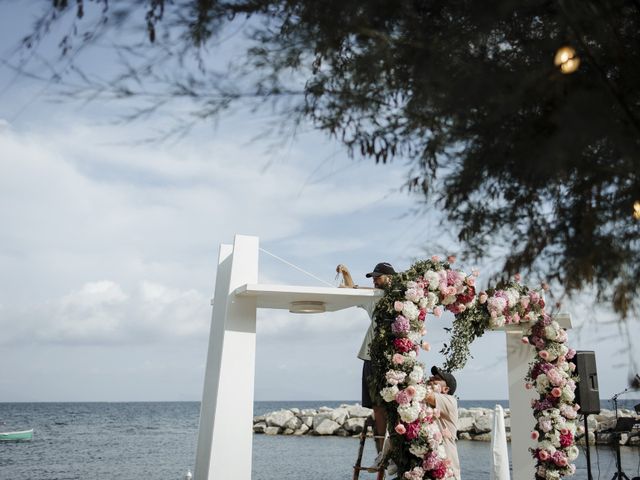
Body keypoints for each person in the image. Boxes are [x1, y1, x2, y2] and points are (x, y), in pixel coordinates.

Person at [426, 366, 461, 479]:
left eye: (436, 378)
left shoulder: (449, 400)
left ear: (446, 390)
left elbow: (426, 394)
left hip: (447, 471)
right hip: (430, 466)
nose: (431, 378)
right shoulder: (425, 404)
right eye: (432, 376)